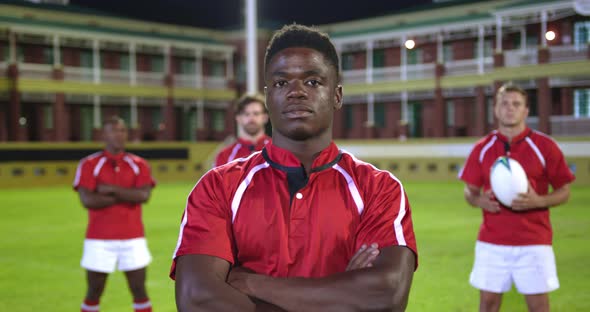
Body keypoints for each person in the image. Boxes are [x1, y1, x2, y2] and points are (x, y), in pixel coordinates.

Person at [171, 24, 418, 311]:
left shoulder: (379, 188)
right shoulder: (217, 186)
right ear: (267, 97)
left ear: (337, 95)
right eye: (281, 83)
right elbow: (196, 299)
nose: (296, 92)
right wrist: (342, 294)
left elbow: (386, 296)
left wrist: (252, 283)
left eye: (312, 82)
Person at [459, 84, 575, 312]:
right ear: (495, 110)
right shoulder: (482, 148)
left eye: (516, 104)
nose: (509, 109)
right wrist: (478, 200)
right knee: (488, 305)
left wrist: (539, 201)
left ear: (526, 111)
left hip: (534, 241)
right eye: (504, 103)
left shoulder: (545, 146)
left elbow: (565, 190)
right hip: (492, 242)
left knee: (538, 306)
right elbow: (469, 192)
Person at [73, 116, 156, 312]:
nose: (119, 135)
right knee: (94, 291)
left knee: (139, 290)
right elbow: (88, 200)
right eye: (113, 130)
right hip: (99, 239)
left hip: (133, 238)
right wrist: (128, 195)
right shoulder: (89, 164)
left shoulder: (139, 164)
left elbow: (144, 195)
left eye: (122, 130)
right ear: (104, 134)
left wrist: (110, 189)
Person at [214, 93, 270, 166]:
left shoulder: (279, 150)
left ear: (265, 117)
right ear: (238, 118)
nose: (251, 119)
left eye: (256, 113)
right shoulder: (225, 156)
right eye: (246, 114)